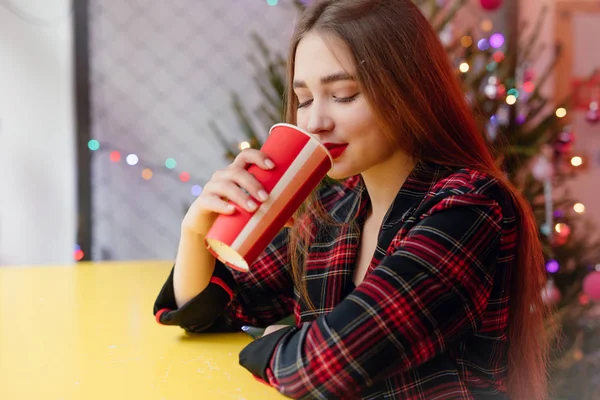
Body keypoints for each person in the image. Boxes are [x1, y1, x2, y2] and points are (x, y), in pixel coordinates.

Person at [153, 0, 551, 399]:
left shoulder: (469, 207)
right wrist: (196, 229)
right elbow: (215, 309)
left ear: (408, 91)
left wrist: (281, 340)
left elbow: (328, 365)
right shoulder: (335, 210)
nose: (314, 122)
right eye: (305, 99)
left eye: (343, 95)